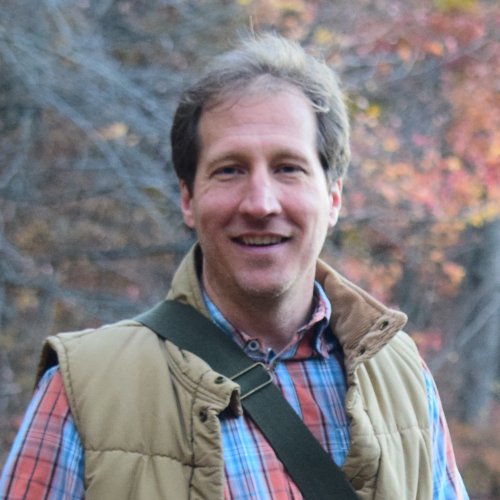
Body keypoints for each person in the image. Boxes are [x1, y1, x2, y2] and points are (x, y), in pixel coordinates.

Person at [0, 33, 468, 499]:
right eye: (230, 170)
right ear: (188, 199)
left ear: (332, 198)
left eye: (288, 168)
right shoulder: (84, 389)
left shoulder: (400, 375)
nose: (261, 203)